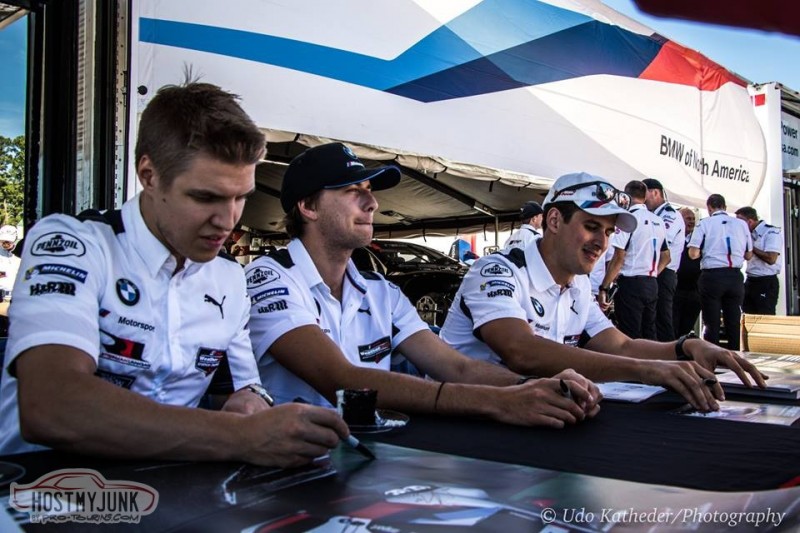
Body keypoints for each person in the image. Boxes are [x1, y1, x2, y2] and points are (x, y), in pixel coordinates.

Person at [0, 83, 349, 467]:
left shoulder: (230, 279)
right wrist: (241, 436)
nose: (228, 221)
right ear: (149, 175)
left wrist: (251, 403)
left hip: (167, 487)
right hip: (41, 487)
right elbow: (51, 406)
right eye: (205, 197)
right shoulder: (72, 244)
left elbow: (241, 390)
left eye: (241, 197)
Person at [245, 142, 600, 428]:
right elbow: (341, 379)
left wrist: (533, 387)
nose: (373, 203)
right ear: (308, 206)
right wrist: (500, 401)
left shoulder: (381, 291)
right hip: (290, 469)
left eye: (369, 190)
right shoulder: (269, 278)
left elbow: (456, 367)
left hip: (368, 457)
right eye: (353, 191)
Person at [439, 172, 765, 412]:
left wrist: (685, 346)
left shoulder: (578, 283)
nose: (602, 242)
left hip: (528, 417)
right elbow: (521, 351)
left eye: (608, 232)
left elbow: (621, 345)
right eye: (592, 226)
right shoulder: (496, 270)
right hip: (462, 422)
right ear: (554, 220)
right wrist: (645, 371)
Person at [600, 180, 669, 340]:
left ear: (626, 196)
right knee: (649, 333)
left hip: (631, 283)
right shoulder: (658, 221)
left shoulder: (628, 219)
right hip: (651, 283)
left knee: (630, 334)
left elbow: (619, 257)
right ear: (645, 197)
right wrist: (652, 273)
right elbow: (666, 256)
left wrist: (604, 287)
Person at [687, 194, 753, 350]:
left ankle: (712, 357)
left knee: (711, 321)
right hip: (735, 276)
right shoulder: (741, 225)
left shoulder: (704, 223)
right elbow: (748, 255)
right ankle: (735, 355)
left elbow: (693, 254)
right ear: (725, 207)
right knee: (733, 320)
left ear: (709, 208)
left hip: (713, 276)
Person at [642, 178, 685, 341]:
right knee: (649, 319)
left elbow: (661, 241)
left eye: (644, 194)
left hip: (664, 272)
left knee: (662, 318)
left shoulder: (670, 214)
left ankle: (669, 352)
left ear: (655, 192)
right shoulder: (653, 215)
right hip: (652, 271)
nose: (643, 200)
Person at [734, 206, 782, 315]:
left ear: (750, 222)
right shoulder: (746, 235)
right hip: (750, 280)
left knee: (765, 317)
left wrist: (751, 247)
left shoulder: (770, 232)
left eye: (740, 223)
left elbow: (771, 258)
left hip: (766, 281)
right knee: (748, 316)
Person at [673, 208, 702, 337]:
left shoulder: (698, 239)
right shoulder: (673, 237)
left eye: (693, 219)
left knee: (686, 327)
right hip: (675, 289)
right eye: (688, 219)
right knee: (672, 324)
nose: (691, 222)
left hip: (693, 291)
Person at [0, 225, 21, 336]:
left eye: (9, 241)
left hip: (16, 303)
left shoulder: (19, 261)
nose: (6, 244)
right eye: (3, 241)